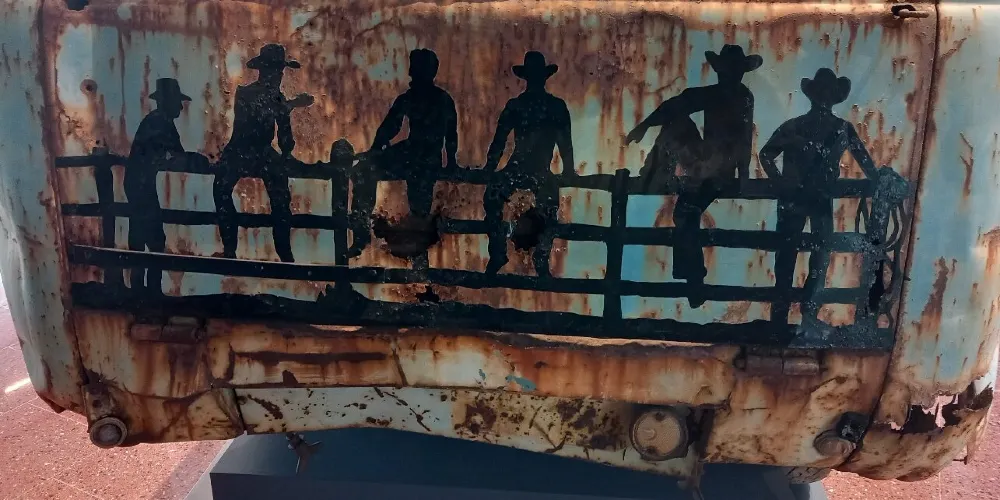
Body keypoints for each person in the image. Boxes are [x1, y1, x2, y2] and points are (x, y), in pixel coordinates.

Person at [625, 45, 762, 306]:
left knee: (684, 214)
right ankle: (654, 171)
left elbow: (744, 139)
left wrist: (742, 175)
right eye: (727, 70)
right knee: (676, 123)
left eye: (734, 70)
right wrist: (644, 125)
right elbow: (676, 105)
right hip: (704, 163)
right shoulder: (713, 94)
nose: (730, 75)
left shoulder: (743, 98)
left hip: (720, 169)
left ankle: (694, 279)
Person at [759, 67, 878, 328]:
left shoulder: (796, 126)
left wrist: (780, 181)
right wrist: (879, 181)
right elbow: (867, 164)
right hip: (818, 200)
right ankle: (807, 315)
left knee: (793, 256)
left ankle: (783, 316)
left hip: (796, 200)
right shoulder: (842, 129)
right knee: (817, 255)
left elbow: (766, 154)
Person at [350, 49, 459, 258]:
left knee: (419, 204)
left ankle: (416, 254)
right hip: (413, 152)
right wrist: (375, 151)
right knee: (363, 170)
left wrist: (451, 161)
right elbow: (390, 126)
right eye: (414, 68)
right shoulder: (412, 98)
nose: (412, 73)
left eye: (417, 69)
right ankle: (362, 230)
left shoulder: (440, 99)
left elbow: (451, 133)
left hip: (425, 157)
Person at [214, 44, 313, 262]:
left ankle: (282, 252)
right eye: (275, 70)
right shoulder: (250, 94)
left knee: (279, 197)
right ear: (264, 70)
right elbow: (255, 126)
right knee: (222, 189)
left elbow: (286, 141)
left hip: (252, 151)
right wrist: (289, 106)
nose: (278, 75)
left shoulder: (271, 97)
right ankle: (234, 249)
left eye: (279, 70)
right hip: (244, 149)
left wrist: (287, 109)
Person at [483, 51, 575, 277]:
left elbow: (499, 141)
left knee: (495, 198)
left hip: (522, 168)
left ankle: (512, 253)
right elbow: (565, 143)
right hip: (535, 169)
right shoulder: (554, 106)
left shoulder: (519, 105)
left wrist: (490, 168)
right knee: (547, 207)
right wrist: (568, 170)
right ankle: (526, 255)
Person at [125, 78, 207, 296]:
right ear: (167, 102)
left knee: (141, 235)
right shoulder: (159, 123)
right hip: (141, 184)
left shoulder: (157, 121)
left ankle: (140, 289)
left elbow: (172, 154)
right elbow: (174, 154)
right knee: (152, 238)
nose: (180, 106)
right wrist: (197, 161)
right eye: (176, 102)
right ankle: (148, 291)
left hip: (139, 181)